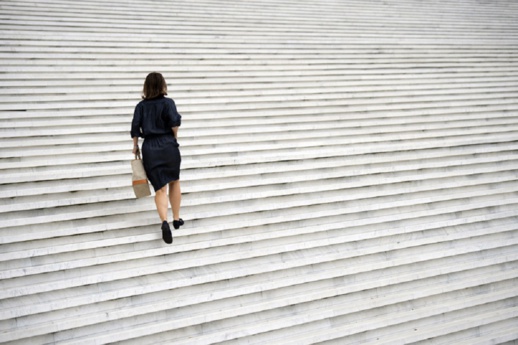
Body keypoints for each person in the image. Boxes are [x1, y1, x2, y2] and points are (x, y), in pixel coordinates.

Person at [130, 72, 183, 244]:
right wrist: (174, 139)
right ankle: (176, 218)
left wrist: (135, 146)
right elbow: (174, 123)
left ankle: (164, 222)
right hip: (168, 145)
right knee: (174, 181)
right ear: (162, 85)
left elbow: (135, 128)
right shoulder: (168, 103)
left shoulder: (141, 106)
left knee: (160, 189)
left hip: (150, 147)